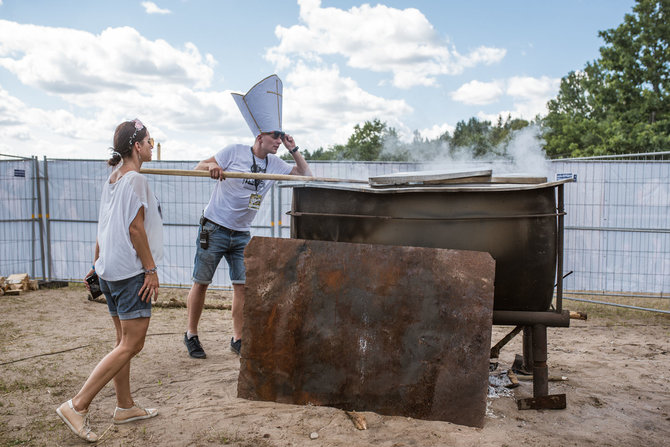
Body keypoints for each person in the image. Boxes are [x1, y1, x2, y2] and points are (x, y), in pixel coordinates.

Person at [184, 74, 312, 359]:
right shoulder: (234, 152)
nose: (278, 140)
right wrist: (212, 168)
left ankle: (238, 338)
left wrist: (294, 149)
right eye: (275, 136)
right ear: (260, 137)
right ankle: (191, 334)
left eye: (281, 136)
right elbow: (199, 165)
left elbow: (306, 175)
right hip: (214, 227)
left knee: (242, 286)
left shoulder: (276, 162)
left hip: (241, 233)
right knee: (201, 281)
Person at [56, 119, 163, 442]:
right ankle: (78, 405)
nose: (151, 145)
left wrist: (96, 262)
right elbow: (135, 229)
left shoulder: (113, 179)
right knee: (133, 343)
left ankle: (125, 405)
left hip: (109, 270)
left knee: (122, 344)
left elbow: (103, 225)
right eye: (149, 140)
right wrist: (150, 270)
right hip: (130, 272)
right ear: (136, 146)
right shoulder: (135, 181)